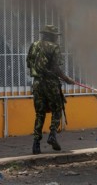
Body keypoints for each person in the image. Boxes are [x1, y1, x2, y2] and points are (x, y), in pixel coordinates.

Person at [27, 24, 75, 155]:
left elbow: (29, 63)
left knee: (40, 113)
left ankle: (36, 144)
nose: (57, 39)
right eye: (55, 36)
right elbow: (55, 68)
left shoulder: (34, 45)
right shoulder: (54, 47)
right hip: (51, 83)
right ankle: (52, 134)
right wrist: (66, 79)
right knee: (57, 108)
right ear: (51, 36)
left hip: (37, 83)